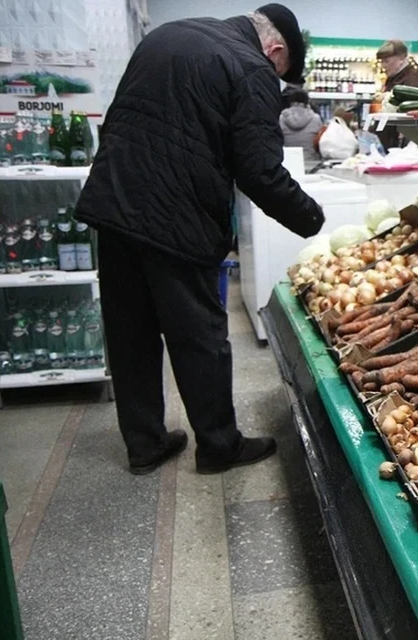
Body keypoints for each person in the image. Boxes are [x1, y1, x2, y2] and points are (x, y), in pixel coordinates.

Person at [75, 4, 324, 476]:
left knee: (131, 333)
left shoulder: (166, 35)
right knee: (199, 336)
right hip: (176, 217)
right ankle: (218, 446)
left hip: (114, 201)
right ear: (275, 50)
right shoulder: (251, 66)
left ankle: (145, 444)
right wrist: (311, 218)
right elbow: (259, 169)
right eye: (280, 70)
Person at [375, 39, 418, 151]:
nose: (383, 66)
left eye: (387, 61)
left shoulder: (412, 80)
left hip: (399, 143)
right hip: (389, 140)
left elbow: (410, 112)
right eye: (381, 61)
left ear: (401, 58)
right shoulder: (392, 78)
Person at [279, 88, 322, 163]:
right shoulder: (316, 118)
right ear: (307, 102)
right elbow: (320, 142)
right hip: (311, 161)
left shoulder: (282, 118)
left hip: (289, 162)